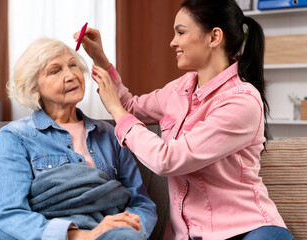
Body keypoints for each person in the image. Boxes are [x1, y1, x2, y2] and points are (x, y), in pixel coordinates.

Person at [76, 0, 296, 239]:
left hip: (249, 231)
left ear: (214, 37)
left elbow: (167, 159)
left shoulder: (241, 102)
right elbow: (131, 107)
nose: (173, 42)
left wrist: (117, 112)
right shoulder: (180, 89)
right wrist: (100, 58)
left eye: (180, 32)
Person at [0, 38, 157, 240]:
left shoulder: (110, 133)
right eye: (55, 71)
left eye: (73, 65)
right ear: (35, 88)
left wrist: (130, 227)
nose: (71, 75)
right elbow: (10, 216)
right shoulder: (16, 136)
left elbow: (142, 204)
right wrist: (85, 236)